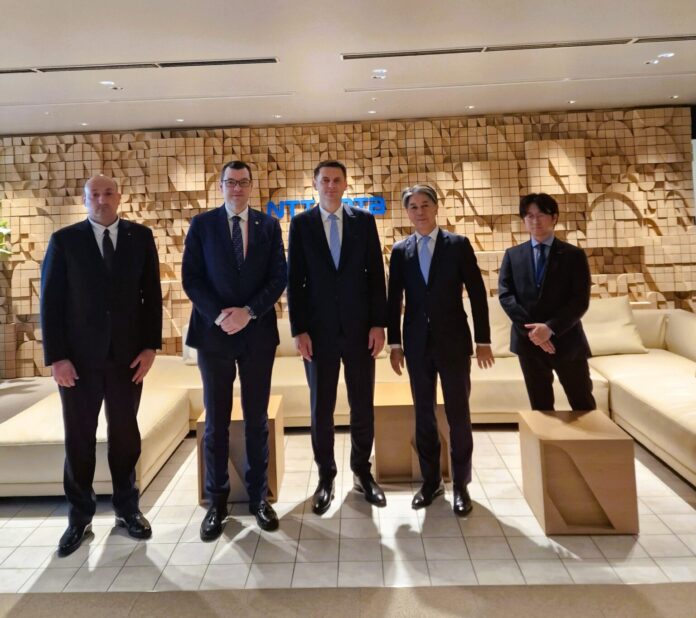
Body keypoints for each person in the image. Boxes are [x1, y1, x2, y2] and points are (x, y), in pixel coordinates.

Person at [40, 175, 162, 557]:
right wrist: (56, 357)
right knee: (79, 439)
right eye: (94, 194)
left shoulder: (140, 238)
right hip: (77, 362)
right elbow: (50, 303)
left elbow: (151, 295)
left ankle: (127, 509)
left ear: (119, 197)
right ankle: (79, 517)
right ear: (84, 200)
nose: (102, 199)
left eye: (108, 193)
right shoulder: (65, 241)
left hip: (128, 358)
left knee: (125, 436)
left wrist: (150, 347)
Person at [182, 160, 287, 540]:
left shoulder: (269, 225)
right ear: (221, 186)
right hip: (214, 335)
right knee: (216, 422)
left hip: (256, 334)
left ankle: (259, 498)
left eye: (243, 182)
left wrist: (249, 312)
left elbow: (279, 276)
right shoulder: (202, 225)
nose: (237, 188)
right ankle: (217, 502)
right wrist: (219, 315)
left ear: (251, 186)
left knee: (257, 419)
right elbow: (191, 278)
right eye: (231, 182)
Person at [287, 160, 387, 514]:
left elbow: (376, 275)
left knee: (362, 405)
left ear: (346, 185)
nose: (330, 185)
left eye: (336, 180)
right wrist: (298, 330)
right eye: (325, 180)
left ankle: (362, 472)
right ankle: (325, 477)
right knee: (321, 408)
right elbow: (295, 280)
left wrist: (379, 324)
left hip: (360, 331)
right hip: (318, 334)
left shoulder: (364, 221)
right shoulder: (301, 224)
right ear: (315, 184)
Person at [387, 185, 493, 516]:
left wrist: (483, 340)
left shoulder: (458, 245)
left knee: (459, 414)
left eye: (425, 205)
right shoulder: (400, 250)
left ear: (436, 208)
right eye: (413, 207)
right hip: (416, 344)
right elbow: (394, 300)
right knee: (424, 414)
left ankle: (461, 484)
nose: (419, 212)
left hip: (454, 342)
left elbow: (477, 293)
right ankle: (431, 481)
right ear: (407, 212)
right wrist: (395, 344)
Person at [498, 193, 596, 412]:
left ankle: (592, 437)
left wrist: (550, 328)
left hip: (567, 341)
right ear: (524, 220)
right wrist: (535, 333)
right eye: (529, 215)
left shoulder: (574, 255)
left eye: (541, 214)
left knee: (582, 404)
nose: (535, 220)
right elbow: (506, 296)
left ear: (554, 218)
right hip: (528, 344)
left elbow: (580, 301)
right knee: (541, 409)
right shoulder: (513, 255)